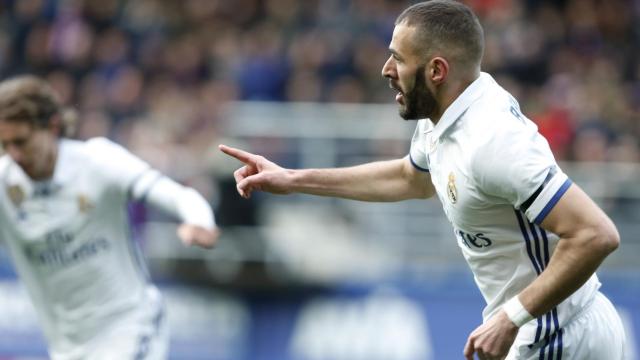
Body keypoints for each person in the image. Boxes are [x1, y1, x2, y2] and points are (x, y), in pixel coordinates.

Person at [219, 1, 626, 359]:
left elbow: (595, 234)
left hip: (559, 336)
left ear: (436, 70)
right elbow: (409, 178)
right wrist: (292, 179)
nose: (386, 69)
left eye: (397, 57)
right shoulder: (448, 114)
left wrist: (511, 316)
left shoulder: (493, 141)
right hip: (541, 331)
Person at [0, 75, 219, 360]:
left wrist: (199, 220)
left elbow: (179, 195)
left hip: (129, 327)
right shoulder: (4, 184)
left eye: (21, 141)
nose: (14, 154)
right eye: (5, 144)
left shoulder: (97, 162)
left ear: (52, 126)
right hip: (66, 349)